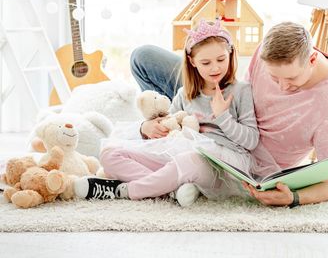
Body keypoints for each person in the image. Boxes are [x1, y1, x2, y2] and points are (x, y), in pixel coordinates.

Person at [132, 21, 328, 208]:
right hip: (219, 107)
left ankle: (164, 156)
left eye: (292, 80)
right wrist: (157, 122)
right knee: (143, 57)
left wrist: (294, 197)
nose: (282, 87)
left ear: (312, 60)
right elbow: (237, 87)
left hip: (242, 159)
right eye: (274, 78)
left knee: (185, 158)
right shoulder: (269, 49)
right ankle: (159, 122)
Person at [74, 19, 259, 206]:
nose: (215, 68)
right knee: (110, 153)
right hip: (180, 155)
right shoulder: (184, 95)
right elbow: (170, 130)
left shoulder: (241, 91)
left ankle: (125, 190)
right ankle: (170, 189)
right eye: (206, 62)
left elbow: (251, 141)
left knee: (189, 161)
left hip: (221, 166)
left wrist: (223, 117)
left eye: (221, 59)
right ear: (192, 62)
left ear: (230, 54)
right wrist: (150, 128)